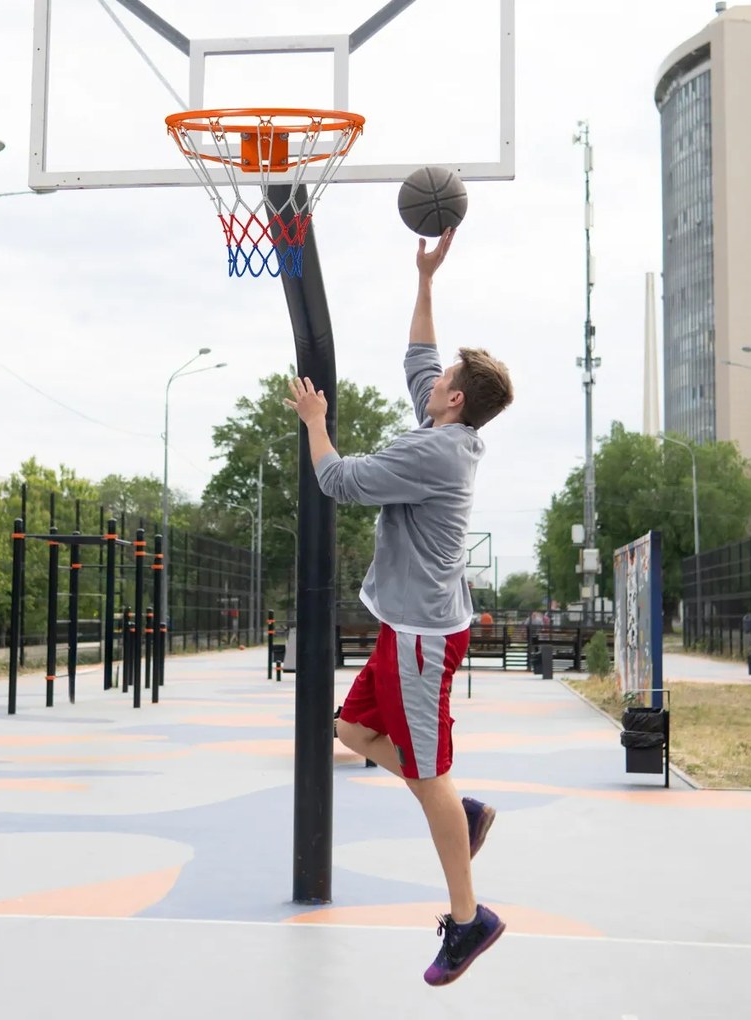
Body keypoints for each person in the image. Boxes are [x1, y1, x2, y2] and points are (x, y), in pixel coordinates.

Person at [284, 226, 514, 987]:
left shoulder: (434, 452)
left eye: (443, 378)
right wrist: (426, 280)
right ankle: (460, 806)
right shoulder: (443, 424)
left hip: (420, 638)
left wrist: (315, 424)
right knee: (350, 729)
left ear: (453, 402)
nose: (432, 377)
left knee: (427, 775)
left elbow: (340, 481)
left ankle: (468, 918)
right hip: (410, 623)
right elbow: (419, 356)